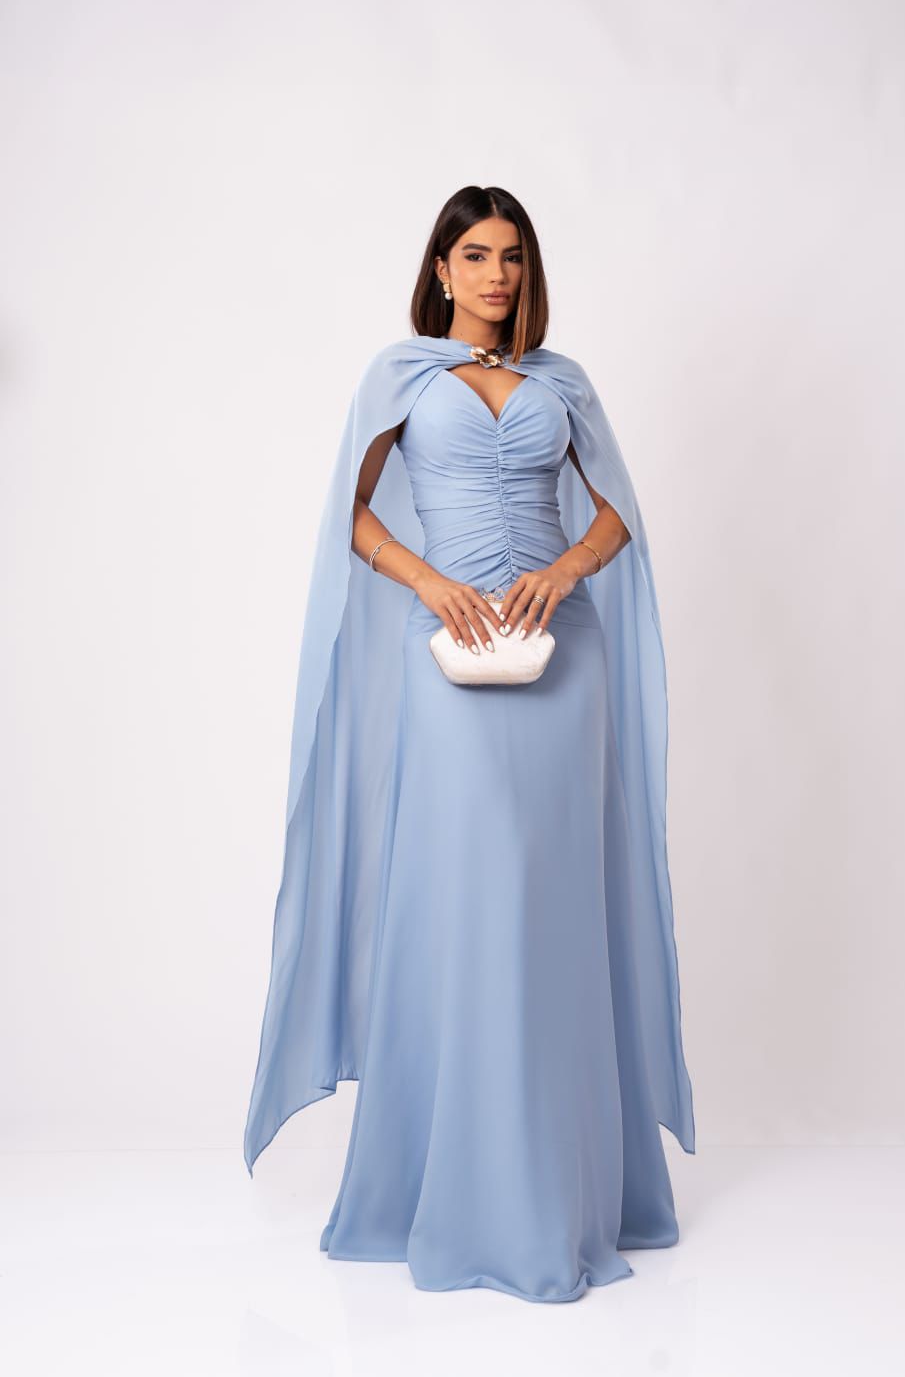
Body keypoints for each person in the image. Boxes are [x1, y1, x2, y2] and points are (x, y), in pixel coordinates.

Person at [243, 184, 696, 1303]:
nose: (497, 275)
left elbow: (616, 512)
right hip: (446, 648)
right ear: (440, 269)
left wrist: (564, 570)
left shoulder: (563, 383)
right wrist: (430, 582)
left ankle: (562, 1194)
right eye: (477, 255)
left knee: (550, 905)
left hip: (561, 656)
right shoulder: (399, 376)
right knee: (465, 899)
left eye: (512, 256)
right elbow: (349, 514)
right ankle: (443, 1186)